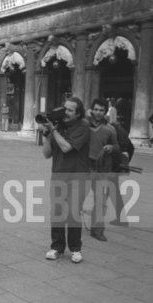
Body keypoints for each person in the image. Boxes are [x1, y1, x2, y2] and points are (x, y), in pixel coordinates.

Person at [42, 96, 90, 264]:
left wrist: (53, 131)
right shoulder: (59, 126)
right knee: (57, 212)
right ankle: (56, 247)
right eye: (65, 108)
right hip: (58, 175)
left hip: (78, 177)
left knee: (73, 213)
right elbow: (47, 154)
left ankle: (76, 249)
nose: (66, 112)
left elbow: (67, 147)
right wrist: (46, 135)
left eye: (70, 110)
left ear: (78, 114)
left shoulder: (83, 127)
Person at [86, 98, 119, 241]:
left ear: (105, 112)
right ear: (91, 110)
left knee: (100, 200)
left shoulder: (110, 129)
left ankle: (97, 229)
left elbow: (117, 147)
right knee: (76, 197)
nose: (98, 112)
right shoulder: (83, 125)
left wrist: (111, 148)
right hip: (83, 167)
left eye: (101, 110)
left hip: (101, 168)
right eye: (96, 109)